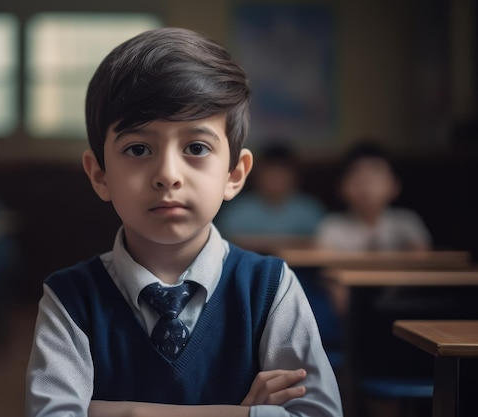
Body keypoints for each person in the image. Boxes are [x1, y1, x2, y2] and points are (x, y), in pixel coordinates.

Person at [25, 28, 342, 417]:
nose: (168, 175)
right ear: (100, 175)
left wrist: (107, 411)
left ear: (234, 174)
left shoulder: (270, 287)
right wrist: (242, 413)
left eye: (196, 147)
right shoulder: (70, 299)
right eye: (138, 149)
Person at [316, 141, 431, 251]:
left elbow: (421, 259)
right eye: (358, 179)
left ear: (395, 186)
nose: (366, 187)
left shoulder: (407, 223)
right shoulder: (332, 227)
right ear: (341, 187)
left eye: (374, 179)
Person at [216, 142, 325, 239]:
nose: (275, 178)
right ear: (256, 176)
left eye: (281, 173)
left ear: (296, 177)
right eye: (270, 173)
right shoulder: (238, 210)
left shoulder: (309, 209)